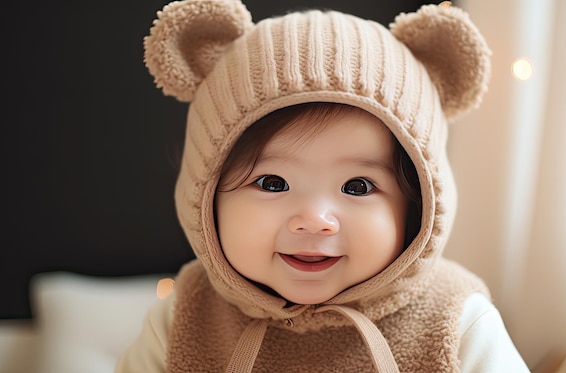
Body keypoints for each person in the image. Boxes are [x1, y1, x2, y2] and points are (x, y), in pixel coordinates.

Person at [116, 0, 531, 371]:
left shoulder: (456, 322)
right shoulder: (185, 317)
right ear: (204, 196)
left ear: (417, 205)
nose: (315, 221)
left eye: (357, 187)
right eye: (272, 182)